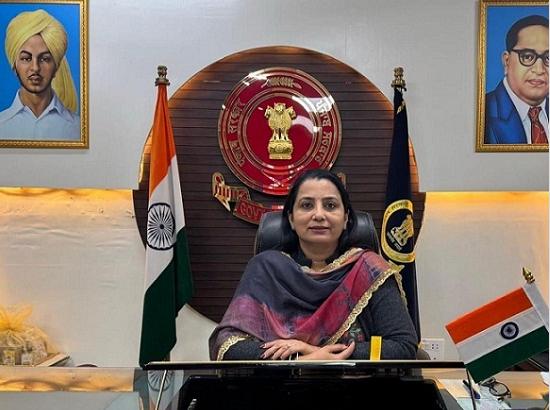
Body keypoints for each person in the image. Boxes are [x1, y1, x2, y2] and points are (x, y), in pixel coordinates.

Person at [209, 169, 418, 361]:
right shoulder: (265, 270)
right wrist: (299, 360)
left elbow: (403, 346)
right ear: (291, 218)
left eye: (330, 205)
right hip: (281, 387)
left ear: (346, 218)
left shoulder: (368, 269)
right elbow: (228, 347)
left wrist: (315, 352)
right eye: (307, 205)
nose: (318, 215)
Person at [0, 9, 80, 141]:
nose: (35, 68)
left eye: (44, 59)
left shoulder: (77, 128)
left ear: (56, 67)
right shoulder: (2, 125)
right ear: (14, 66)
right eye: (26, 58)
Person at [485, 15, 549, 145]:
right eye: (527, 57)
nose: (539, 69)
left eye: (548, 58)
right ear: (507, 61)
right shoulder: (483, 112)